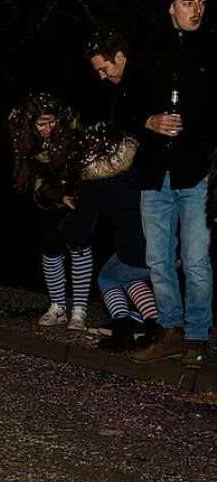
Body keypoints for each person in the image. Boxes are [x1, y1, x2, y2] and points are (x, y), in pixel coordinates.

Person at [128, 0, 213, 368]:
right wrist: (148, 120)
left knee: (196, 260)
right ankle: (170, 332)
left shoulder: (209, 52)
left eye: (200, 2)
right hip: (153, 174)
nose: (196, 9)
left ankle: (197, 337)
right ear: (171, 8)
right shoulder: (148, 51)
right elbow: (120, 109)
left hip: (194, 174)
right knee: (158, 260)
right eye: (188, 2)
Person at [8, 92, 93, 330]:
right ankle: (57, 305)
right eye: (41, 124)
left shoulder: (72, 129)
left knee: (79, 245)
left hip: (75, 190)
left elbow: (83, 167)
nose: (47, 128)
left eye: (51, 122)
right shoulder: (22, 130)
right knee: (50, 246)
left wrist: (71, 195)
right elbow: (29, 173)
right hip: (45, 192)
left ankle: (79, 309)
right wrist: (54, 195)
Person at [74, 123, 159, 351]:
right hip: (171, 241)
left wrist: (69, 231)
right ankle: (154, 327)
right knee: (131, 278)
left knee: (108, 278)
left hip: (138, 247)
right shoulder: (141, 164)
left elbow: (83, 227)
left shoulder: (94, 180)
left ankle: (122, 329)